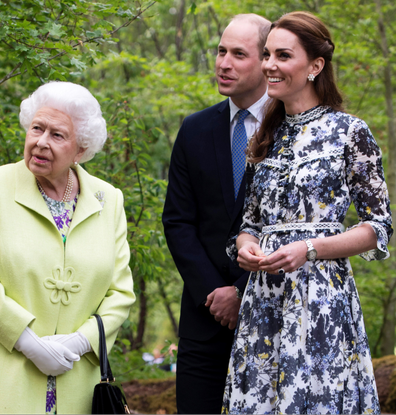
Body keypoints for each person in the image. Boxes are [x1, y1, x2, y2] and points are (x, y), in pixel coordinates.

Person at [222, 11, 392, 415]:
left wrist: (310, 249)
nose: (269, 65)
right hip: (263, 302)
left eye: (283, 55)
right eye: (266, 55)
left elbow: (379, 227)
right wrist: (247, 247)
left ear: (315, 66)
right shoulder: (265, 135)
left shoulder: (350, 132)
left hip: (322, 302)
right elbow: (248, 224)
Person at [0, 81, 136, 414]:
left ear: (80, 150)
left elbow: (120, 293)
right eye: (37, 128)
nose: (40, 142)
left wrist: (80, 342)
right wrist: (27, 341)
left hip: (77, 382)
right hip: (4, 379)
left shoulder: (108, 200)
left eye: (57, 135)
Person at [162, 14, 271, 414]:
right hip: (203, 318)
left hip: (271, 315)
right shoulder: (194, 129)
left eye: (238, 54)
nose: (224, 63)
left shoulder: (293, 129)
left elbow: (297, 225)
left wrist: (242, 291)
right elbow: (177, 220)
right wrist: (216, 294)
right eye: (221, 51)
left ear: (267, 61)